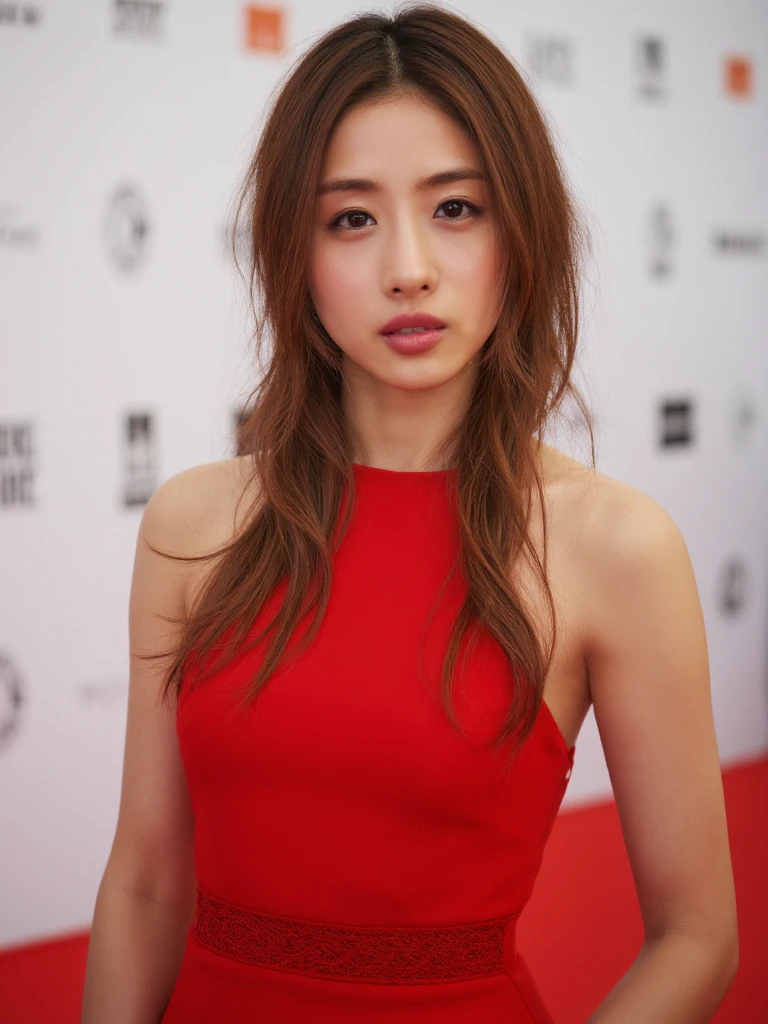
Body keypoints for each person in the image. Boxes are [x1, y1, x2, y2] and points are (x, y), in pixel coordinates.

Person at [81, 4, 738, 1022]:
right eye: (352, 217)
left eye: (456, 208)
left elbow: (699, 939)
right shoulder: (193, 525)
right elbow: (145, 882)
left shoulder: (614, 546)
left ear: (520, 231)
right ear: (293, 255)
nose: (408, 268)